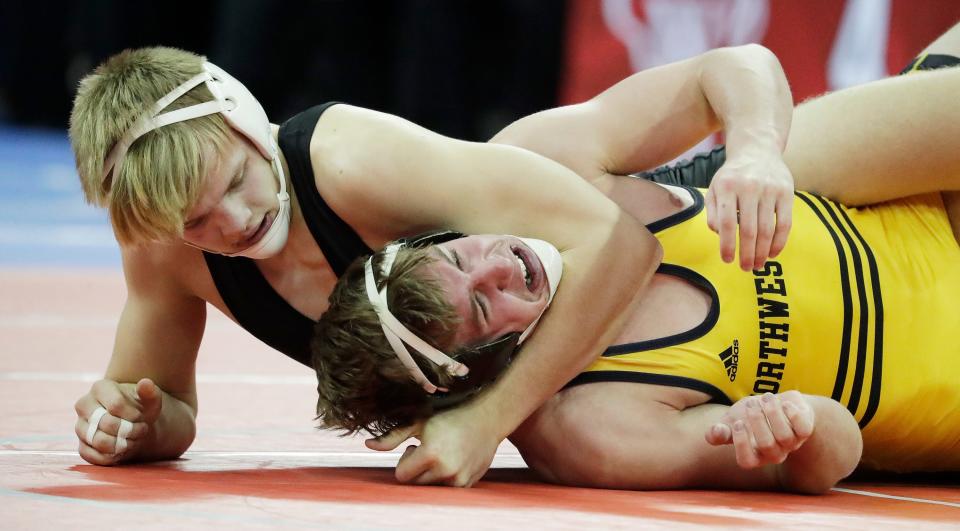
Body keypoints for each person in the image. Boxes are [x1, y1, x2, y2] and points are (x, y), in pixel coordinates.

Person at [67, 42, 795, 486]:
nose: (233, 221)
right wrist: (129, 424)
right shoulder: (162, 249)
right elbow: (166, 408)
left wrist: (485, 420)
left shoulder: (350, 161)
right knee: (577, 442)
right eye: (197, 221)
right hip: (675, 360)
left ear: (243, 113)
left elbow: (624, 245)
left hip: (710, 225)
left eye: (232, 181)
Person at [310, 29, 960, 493]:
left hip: (911, 196)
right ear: (474, 374)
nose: (497, 263)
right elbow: (835, 449)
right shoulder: (590, 429)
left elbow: (732, 67)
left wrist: (754, 150)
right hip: (936, 375)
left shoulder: (530, 172)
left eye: (459, 254)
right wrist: (791, 425)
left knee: (804, 149)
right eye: (482, 304)